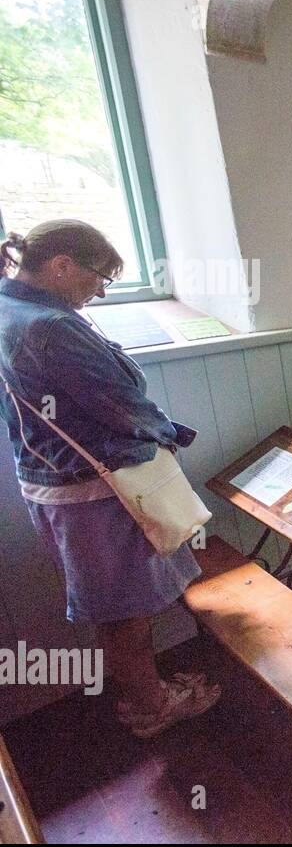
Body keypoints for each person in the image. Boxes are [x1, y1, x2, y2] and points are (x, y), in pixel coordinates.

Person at [0, 220, 220, 738]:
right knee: (128, 609)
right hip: (97, 491)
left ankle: (144, 693)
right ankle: (151, 708)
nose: (100, 291)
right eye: (99, 278)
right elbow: (121, 404)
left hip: (51, 484)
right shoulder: (53, 327)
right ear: (61, 266)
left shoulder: (10, 309)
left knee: (111, 603)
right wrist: (169, 434)